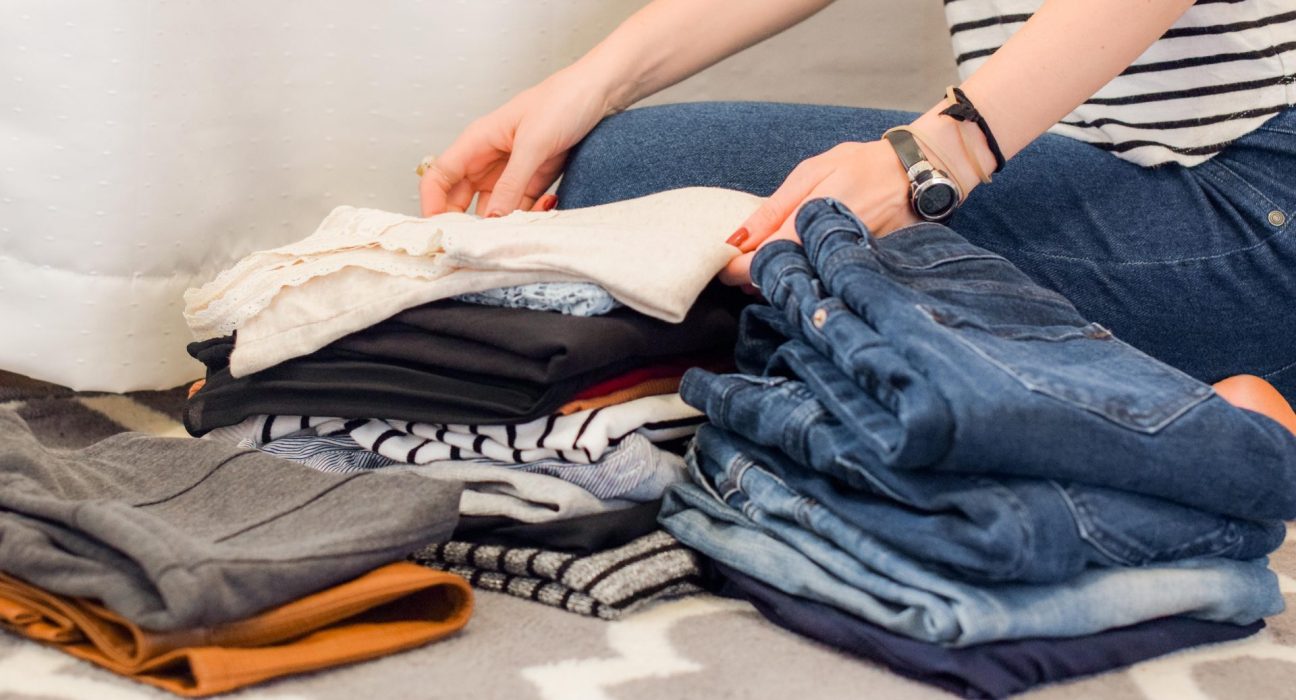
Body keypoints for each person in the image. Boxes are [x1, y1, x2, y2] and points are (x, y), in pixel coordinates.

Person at [417, 0, 1296, 432]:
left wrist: (942, 156)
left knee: (629, 178)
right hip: (1088, 169)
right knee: (608, 170)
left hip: (1244, 200)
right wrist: (586, 85)